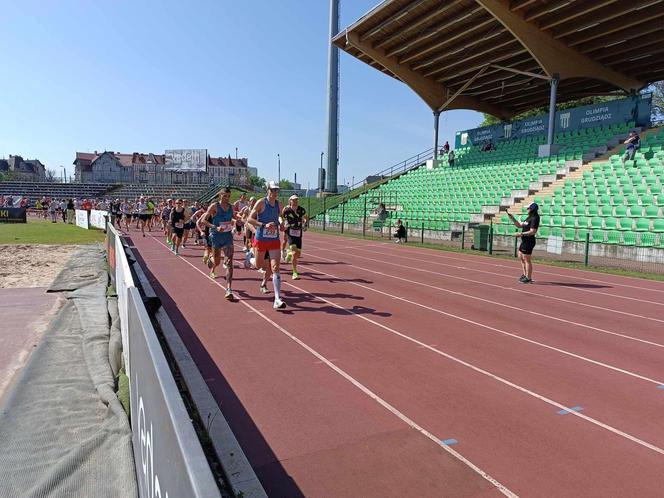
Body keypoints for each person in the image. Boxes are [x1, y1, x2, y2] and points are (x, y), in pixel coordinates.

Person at [248, 181, 287, 310]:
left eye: (277, 190)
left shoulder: (278, 204)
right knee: (259, 265)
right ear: (268, 190)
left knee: (275, 267)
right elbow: (249, 219)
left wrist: (281, 224)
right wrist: (264, 225)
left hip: (274, 239)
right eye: (273, 190)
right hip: (261, 239)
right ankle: (250, 259)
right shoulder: (261, 203)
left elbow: (280, 217)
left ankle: (277, 299)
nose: (275, 193)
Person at [202, 188, 236, 300]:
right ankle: (211, 260)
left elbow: (232, 219)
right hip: (216, 236)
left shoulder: (231, 207)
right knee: (217, 261)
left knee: (229, 262)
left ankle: (228, 288)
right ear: (220, 195)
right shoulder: (214, 206)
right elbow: (204, 221)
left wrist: (237, 222)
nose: (227, 198)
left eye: (228, 196)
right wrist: (215, 227)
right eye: (225, 196)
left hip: (227, 237)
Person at [508, 203, 540, 283]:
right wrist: (513, 219)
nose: (527, 209)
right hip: (524, 241)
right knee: (520, 257)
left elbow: (533, 231)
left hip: (529, 241)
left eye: (528, 208)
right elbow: (519, 225)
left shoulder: (535, 218)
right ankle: (525, 274)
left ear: (532, 209)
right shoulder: (529, 218)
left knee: (527, 259)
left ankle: (528, 278)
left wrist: (521, 234)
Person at [282, 194, 308, 280]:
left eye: (296, 200)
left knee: (298, 254)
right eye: (293, 200)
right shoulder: (287, 210)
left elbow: (306, 217)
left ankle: (289, 253)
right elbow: (281, 217)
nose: (295, 201)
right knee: (294, 253)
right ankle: (295, 272)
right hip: (290, 231)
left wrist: (305, 224)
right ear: (290, 201)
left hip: (299, 231)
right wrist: (283, 224)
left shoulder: (301, 210)